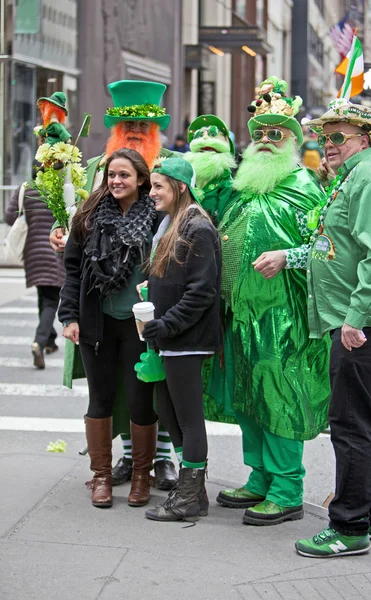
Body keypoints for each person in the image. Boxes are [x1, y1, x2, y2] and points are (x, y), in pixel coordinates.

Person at [295, 98, 371, 557]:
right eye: (324, 138)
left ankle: (348, 528)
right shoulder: (354, 178)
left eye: (338, 137)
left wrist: (354, 317)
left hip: (368, 325)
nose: (328, 145)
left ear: (364, 140)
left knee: (351, 423)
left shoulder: (370, 178)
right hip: (366, 322)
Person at [50, 80, 178, 491]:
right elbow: (74, 229)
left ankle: (160, 461)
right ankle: (118, 463)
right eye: (128, 122)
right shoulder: (93, 169)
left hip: (146, 313)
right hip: (98, 310)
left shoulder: (172, 170)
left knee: (151, 385)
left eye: (144, 121)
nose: (136, 129)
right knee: (108, 391)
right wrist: (59, 230)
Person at [213, 77, 331, 526]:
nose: (264, 141)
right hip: (240, 314)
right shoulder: (244, 186)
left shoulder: (304, 186)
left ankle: (287, 490)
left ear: (294, 142)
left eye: (275, 134)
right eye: (259, 133)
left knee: (279, 397)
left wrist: (288, 256)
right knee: (248, 397)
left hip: (283, 316)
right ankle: (260, 476)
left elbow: (328, 247)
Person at [58, 148, 159, 509]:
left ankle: (141, 476)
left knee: (139, 400)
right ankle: (101, 476)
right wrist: (69, 317)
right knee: (99, 399)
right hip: (96, 323)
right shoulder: (88, 217)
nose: (116, 181)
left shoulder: (158, 216)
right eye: (112, 175)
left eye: (124, 175)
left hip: (139, 327)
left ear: (141, 180)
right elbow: (71, 271)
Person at [141, 157, 222, 522]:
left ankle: (189, 496)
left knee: (188, 418)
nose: (152, 191)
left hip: (187, 337)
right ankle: (194, 490)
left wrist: (167, 323)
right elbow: (179, 280)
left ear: (180, 187)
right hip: (172, 336)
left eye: (159, 185)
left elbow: (202, 291)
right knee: (167, 408)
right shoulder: (174, 223)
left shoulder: (197, 227)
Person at [5, 159, 65, 369]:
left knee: (44, 294)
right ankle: (40, 341)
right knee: (50, 299)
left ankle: (49, 339)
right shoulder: (61, 190)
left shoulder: (27, 189)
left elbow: (10, 217)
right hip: (55, 249)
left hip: (32, 251)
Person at [185, 114, 237, 225]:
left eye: (210, 151)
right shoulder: (186, 175)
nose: (205, 138)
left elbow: (225, 213)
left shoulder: (225, 181)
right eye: (202, 152)